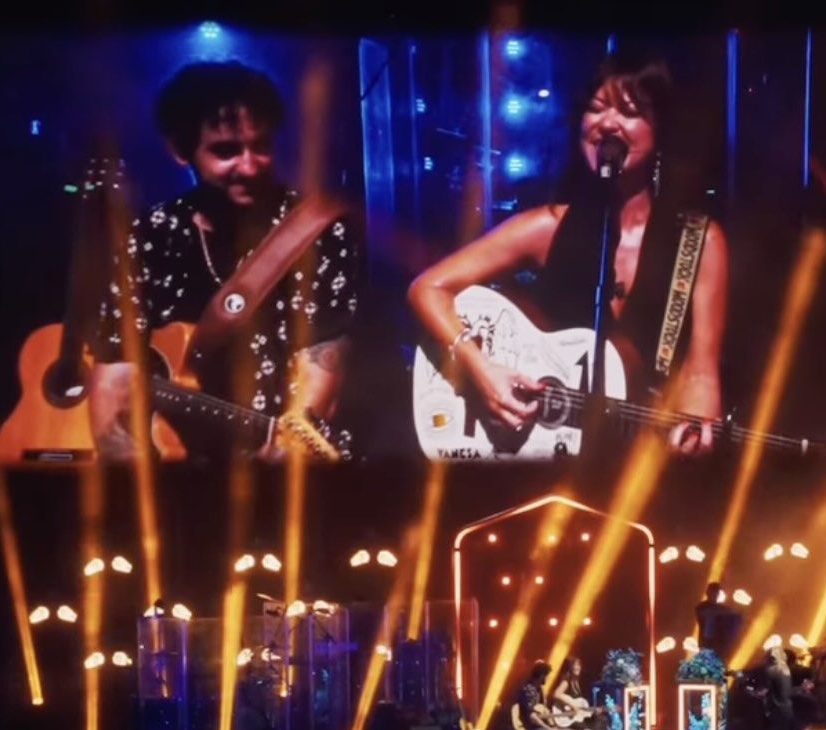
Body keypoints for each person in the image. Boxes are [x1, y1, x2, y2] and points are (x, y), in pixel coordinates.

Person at [407, 48, 727, 455]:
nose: (607, 123)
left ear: (659, 131)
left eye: (629, 112)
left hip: (637, 461)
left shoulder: (699, 243)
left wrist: (694, 440)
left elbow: (701, 373)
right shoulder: (545, 227)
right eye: (595, 109)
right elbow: (427, 288)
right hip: (545, 460)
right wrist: (480, 369)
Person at [87, 60, 359, 460]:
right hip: (178, 468)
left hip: (283, 464)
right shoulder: (148, 234)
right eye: (226, 150)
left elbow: (321, 367)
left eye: (261, 146)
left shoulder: (320, 229)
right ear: (181, 150)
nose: (249, 166)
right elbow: (113, 381)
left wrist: (283, 454)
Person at [551, 655, 609, 730]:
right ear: (569, 667)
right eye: (575, 665)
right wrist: (572, 705)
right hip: (567, 720)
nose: (577, 667)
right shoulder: (566, 681)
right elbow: (556, 694)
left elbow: (580, 706)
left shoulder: (576, 682)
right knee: (586, 728)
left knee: (600, 719)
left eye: (579, 665)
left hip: (576, 718)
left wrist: (592, 710)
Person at [694, 581, 741, 657]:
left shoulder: (722, 608)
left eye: (716, 592)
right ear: (708, 592)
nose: (715, 594)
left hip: (718, 645)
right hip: (706, 643)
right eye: (713, 591)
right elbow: (706, 612)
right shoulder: (702, 607)